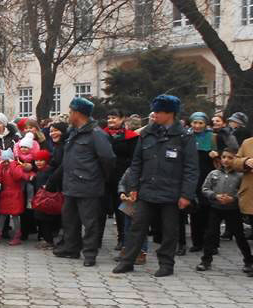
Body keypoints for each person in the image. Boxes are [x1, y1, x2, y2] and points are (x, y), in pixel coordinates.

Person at [114, 95, 198, 277]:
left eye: (158, 111)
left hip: (172, 192)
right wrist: (133, 188)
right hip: (146, 190)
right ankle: (127, 261)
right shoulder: (147, 134)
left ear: (170, 113)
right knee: (137, 227)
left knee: (169, 231)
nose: (155, 115)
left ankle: (166, 264)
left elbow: (191, 168)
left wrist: (186, 195)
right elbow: (136, 163)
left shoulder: (184, 136)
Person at [52, 97, 115, 267]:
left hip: (89, 186)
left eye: (71, 112)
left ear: (78, 113)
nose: (69, 115)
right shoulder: (74, 132)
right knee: (70, 220)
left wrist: (99, 178)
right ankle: (71, 249)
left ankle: (90, 254)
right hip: (71, 185)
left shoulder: (96, 134)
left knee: (90, 222)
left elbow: (108, 159)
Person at [196, 142, 251, 273]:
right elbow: (205, 188)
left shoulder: (240, 175)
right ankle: (206, 260)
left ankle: (248, 261)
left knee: (240, 236)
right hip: (216, 208)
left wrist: (233, 198)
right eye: (224, 157)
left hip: (233, 210)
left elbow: (243, 191)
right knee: (210, 234)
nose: (226, 160)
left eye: (230, 158)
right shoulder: (214, 173)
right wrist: (215, 196)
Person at [104, 108, 139, 250]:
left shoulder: (131, 137)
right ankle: (96, 239)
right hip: (105, 176)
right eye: (109, 118)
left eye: (114, 118)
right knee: (102, 208)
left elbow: (134, 159)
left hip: (122, 177)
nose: (111, 120)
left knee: (122, 210)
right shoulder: (102, 134)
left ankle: (122, 239)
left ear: (122, 119)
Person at [187, 112, 217, 253]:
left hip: (209, 178)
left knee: (210, 212)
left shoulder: (213, 137)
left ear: (206, 124)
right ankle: (197, 242)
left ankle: (211, 243)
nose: (197, 126)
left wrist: (216, 154)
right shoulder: (187, 137)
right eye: (195, 123)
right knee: (195, 210)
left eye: (200, 123)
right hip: (193, 178)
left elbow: (227, 155)